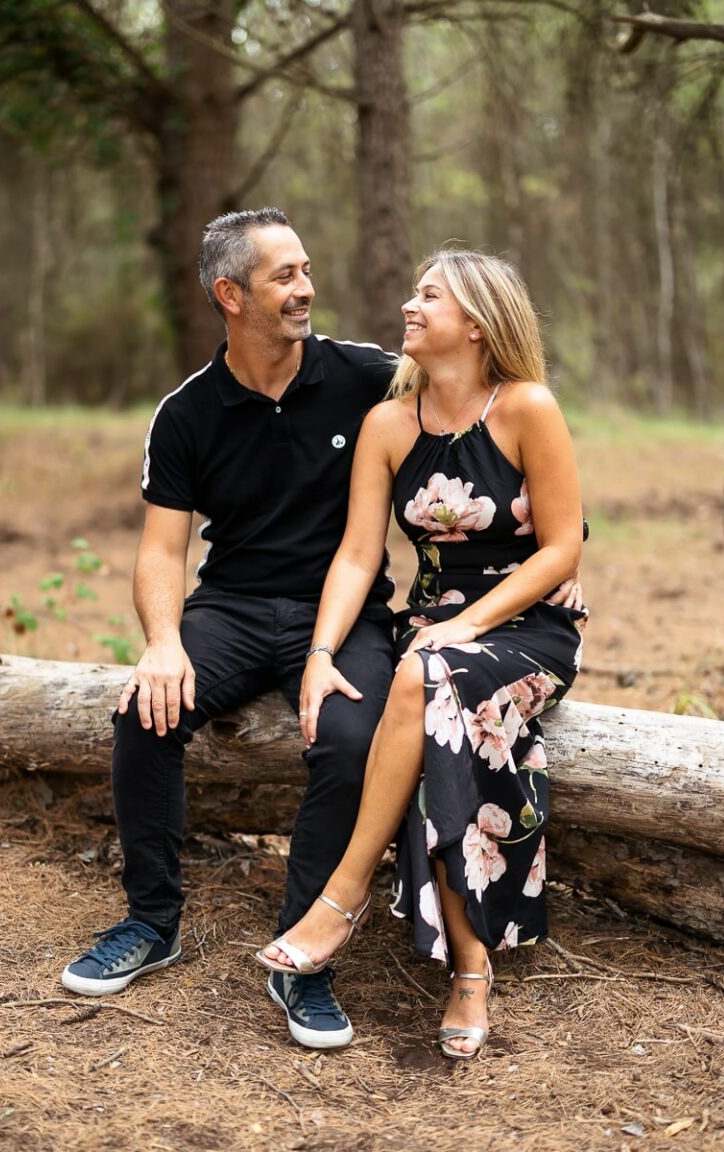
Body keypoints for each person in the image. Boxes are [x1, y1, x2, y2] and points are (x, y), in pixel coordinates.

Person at [60, 207, 399, 1050]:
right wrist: (163, 641)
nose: (306, 288)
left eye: (306, 270)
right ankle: (152, 921)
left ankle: (303, 957)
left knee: (351, 739)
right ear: (230, 295)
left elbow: (483, 410)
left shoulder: (368, 376)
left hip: (345, 611)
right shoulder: (186, 413)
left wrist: (555, 538)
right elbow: (160, 551)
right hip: (235, 608)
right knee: (144, 714)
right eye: (285, 276)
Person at [257, 248, 588, 1059]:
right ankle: (471, 968)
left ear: (476, 324)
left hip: (527, 624)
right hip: (434, 630)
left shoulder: (527, 407)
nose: (410, 306)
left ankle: (341, 899)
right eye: (414, 292)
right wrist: (321, 651)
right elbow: (357, 555)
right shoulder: (388, 424)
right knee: (430, 693)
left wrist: (471, 623)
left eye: (429, 296)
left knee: (424, 677)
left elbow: (562, 548)